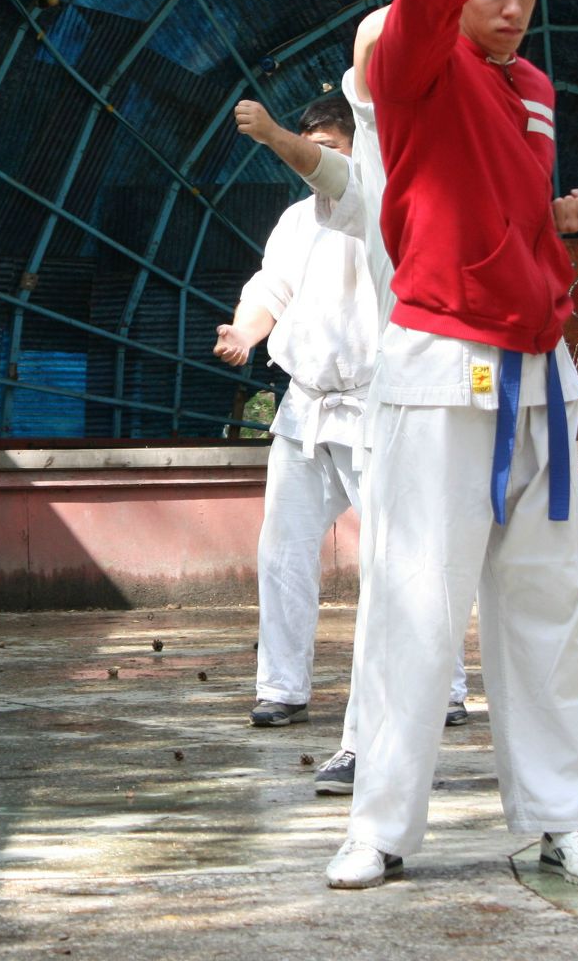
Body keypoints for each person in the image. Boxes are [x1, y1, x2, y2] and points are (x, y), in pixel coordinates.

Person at [326, 0, 578, 892]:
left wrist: (547, 225)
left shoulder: (535, 87)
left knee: (552, 607)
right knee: (415, 602)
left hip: (539, 370)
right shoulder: (415, 61)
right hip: (439, 366)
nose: (511, 8)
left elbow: (496, 203)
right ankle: (379, 826)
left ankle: (564, 816)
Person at [217, 97, 384, 728]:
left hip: (375, 404)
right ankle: (281, 686)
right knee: (282, 549)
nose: (313, 160)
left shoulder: (381, 203)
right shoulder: (294, 220)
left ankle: (440, 688)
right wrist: (244, 332)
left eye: (329, 148)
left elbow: (331, 174)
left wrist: (271, 134)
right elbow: (271, 288)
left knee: (400, 552)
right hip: (306, 404)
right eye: (308, 145)